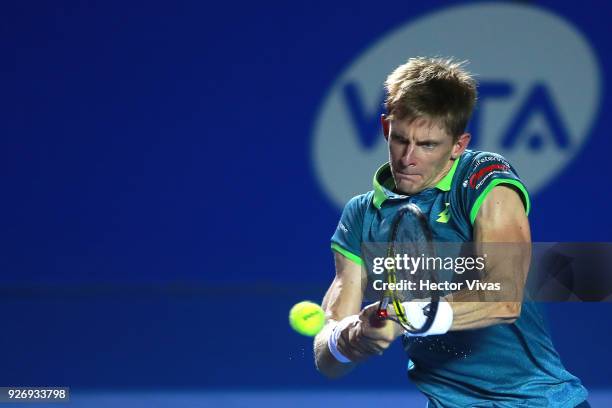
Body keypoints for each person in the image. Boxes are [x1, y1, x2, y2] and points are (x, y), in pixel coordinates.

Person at [314, 57, 589, 407]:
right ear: (386, 128)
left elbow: (504, 299)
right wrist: (350, 337)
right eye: (400, 139)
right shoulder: (360, 214)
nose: (407, 158)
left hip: (537, 402)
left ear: (458, 145)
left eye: (427, 145)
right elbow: (328, 360)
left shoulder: (482, 177)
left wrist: (406, 317)